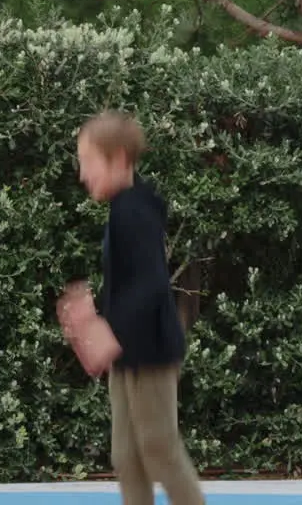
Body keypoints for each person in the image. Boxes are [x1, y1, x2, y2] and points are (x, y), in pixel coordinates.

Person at [74, 110, 204, 505]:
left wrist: (103, 330)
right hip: (127, 351)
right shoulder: (123, 209)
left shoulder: (136, 211)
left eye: (89, 163)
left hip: (150, 351)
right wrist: (97, 320)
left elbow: (151, 285)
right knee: (127, 456)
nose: (82, 174)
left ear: (120, 161)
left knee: (159, 450)